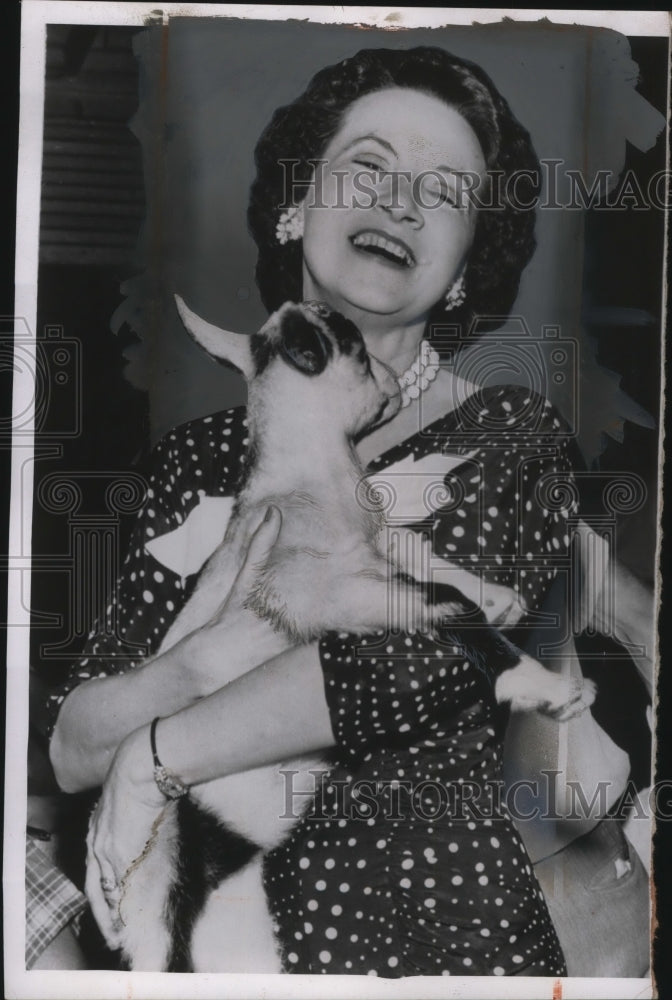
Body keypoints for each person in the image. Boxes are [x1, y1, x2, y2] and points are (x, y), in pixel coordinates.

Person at [46, 46, 652, 976]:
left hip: (432, 941)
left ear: (459, 272)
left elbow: (405, 661)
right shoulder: (196, 460)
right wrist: (208, 653)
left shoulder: (510, 432)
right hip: (208, 955)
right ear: (297, 207)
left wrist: (152, 757)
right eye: (369, 165)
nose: (402, 201)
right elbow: (73, 742)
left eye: (446, 192)